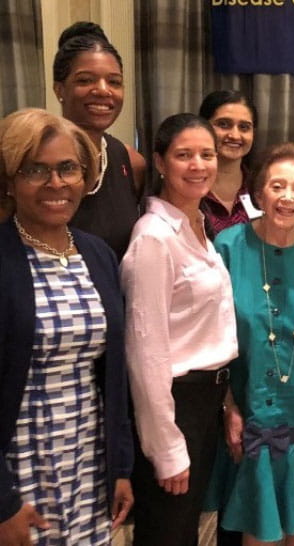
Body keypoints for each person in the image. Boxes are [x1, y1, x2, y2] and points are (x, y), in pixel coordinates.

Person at [0, 108, 133, 544]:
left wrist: (120, 468)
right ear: (9, 179)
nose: (55, 184)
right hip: (19, 463)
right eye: (35, 170)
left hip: (86, 457)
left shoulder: (97, 255)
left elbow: (112, 375)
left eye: (67, 169)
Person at [205, 142, 294, 546]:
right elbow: (212, 340)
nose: (287, 197)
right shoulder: (227, 249)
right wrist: (228, 407)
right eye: (278, 185)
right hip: (251, 420)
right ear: (260, 192)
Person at [121, 113, 238, 545]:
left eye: (206, 154)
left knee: (185, 527)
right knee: (166, 531)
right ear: (160, 161)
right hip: (175, 406)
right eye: (183, 155)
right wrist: (165, 447)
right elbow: (145, 352)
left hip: (206, 402)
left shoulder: (198, 226)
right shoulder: (154, 237)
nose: (198, 165)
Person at [52, 21, 146, 260]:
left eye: (114, 81)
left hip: (114, 295)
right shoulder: (33, 157)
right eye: (85, 80)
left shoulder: (131, 163)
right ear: (59, 89)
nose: (103, 90)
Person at [198, 89, 263, 235]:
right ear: (203, 127)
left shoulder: (263, 189)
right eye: (223, 124)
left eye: (244, 127)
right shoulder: (188, 189)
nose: (234, 135)